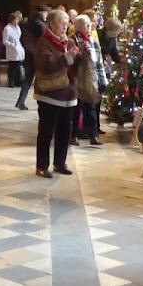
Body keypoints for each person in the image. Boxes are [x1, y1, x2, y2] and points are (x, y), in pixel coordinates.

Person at [32, 9, 81, 177]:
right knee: (46, 131)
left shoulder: (69, 41)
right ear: (52, 23)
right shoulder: (43, 42)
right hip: (49, 94)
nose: (65, 26)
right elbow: (46, 65)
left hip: (68, 93)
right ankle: (42, 166)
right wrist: (67, 57)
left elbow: (74, 65)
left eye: (67, 22)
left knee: (65, 131)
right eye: (62, 22)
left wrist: (80, 55)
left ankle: (60, 163)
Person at [72, 14, 105, 146]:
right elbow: (72, 61)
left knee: (91, 108)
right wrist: (80, 52)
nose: (90, 26)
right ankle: (73, 135)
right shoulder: (73, 40)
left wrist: (103, 80)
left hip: (91, 79)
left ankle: (93, 135)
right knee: (76, 109)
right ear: (79, 27)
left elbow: (99, 62)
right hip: (77, 79)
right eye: (87, 25)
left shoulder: (93, 41)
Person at [17, 4, 50, 110]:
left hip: (29, 54)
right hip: (37, 55)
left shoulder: (28, 23)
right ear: (42, 13)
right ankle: (45, 102)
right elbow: (46, 39)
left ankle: (21, 101)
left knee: (28, 79)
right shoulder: (40, 25)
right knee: (44, 78)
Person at [3, 11, 24, 87]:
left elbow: (19, 37)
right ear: (12, 20)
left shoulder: (18, 28)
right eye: (15, 19)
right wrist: (12, 45)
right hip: (12, 50)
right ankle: (11, 82)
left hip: (18, 49)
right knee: (12, 68)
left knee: (18, 67)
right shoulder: (7, 28)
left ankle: (18, 81)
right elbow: (5, 40)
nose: (17, 21)